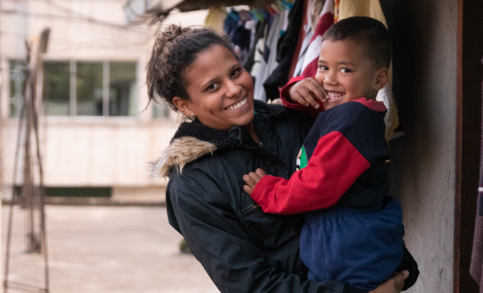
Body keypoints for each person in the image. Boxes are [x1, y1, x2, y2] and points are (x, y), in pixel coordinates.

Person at [147, 24, 415, 293]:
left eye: (235, 72)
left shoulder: (294, 121)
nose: (234, 89)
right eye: (212, 86)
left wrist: (395, 268)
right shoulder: (194, 184)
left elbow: (360, 191)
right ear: (184, 105)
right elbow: (249, 284)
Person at [242, 17, 417, 291]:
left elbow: (317, 186)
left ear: (379, 78)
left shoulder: (352, 119)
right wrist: (294, 89)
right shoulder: (351, 112)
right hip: (348, 240)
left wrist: (270, 192)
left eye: (345, 69)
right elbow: (314, 108)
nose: (329, 79)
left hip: (347, 248)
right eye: (323, 67)